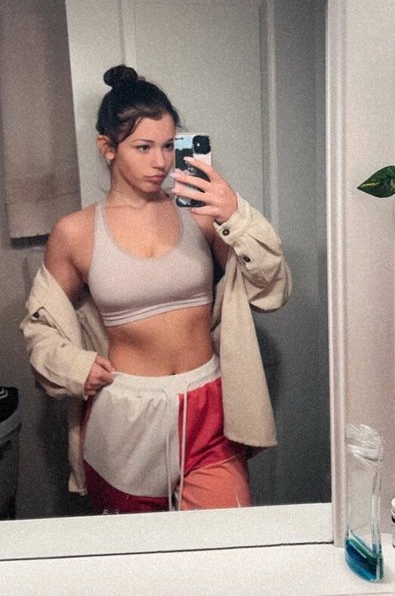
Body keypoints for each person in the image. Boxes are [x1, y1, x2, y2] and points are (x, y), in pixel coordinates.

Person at [21, 65, 292, 514]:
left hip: (208, 407)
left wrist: (235, 212)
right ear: (107, 148)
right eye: (143, 147)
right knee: (140, 555)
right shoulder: (75, 232)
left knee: (227, 545)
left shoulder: (201, 215)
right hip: (124, 416)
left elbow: (269, 289)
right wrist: (75, 367)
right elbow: (40, 326)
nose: (161, 162)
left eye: (168, 145)